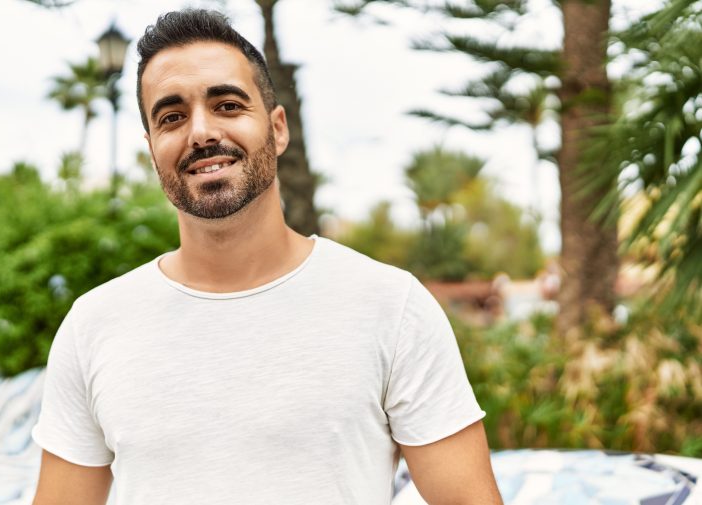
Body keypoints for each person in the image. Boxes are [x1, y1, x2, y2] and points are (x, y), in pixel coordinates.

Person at [31, 8, 503, 505]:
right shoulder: (94, 325)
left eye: (228, 105)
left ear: (277, 128)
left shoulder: (391, 306)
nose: (201, 133)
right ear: (153, 151)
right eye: (172, 117)